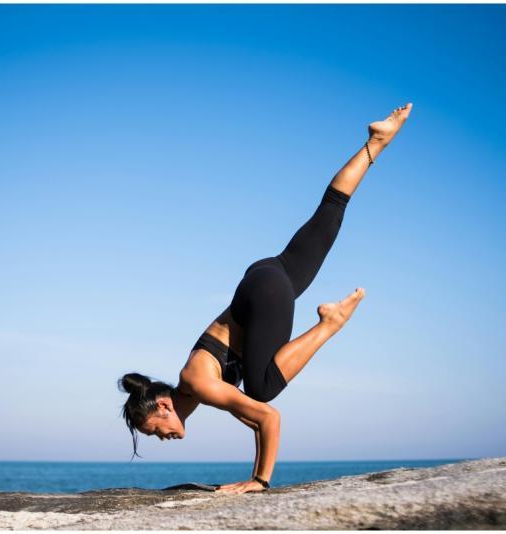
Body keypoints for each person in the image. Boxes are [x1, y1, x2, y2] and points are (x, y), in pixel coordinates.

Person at [118, 103, 414, 494]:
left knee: (262, 389)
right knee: (329, 216)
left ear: (163, 407)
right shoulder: (195, 388)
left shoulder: (198, 383)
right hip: (265, 277)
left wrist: (258, 480)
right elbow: (252, 420)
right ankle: (377, 141)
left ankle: (330, 323)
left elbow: (268, 417)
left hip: (265, 294)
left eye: (155, 432)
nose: (162, 438)